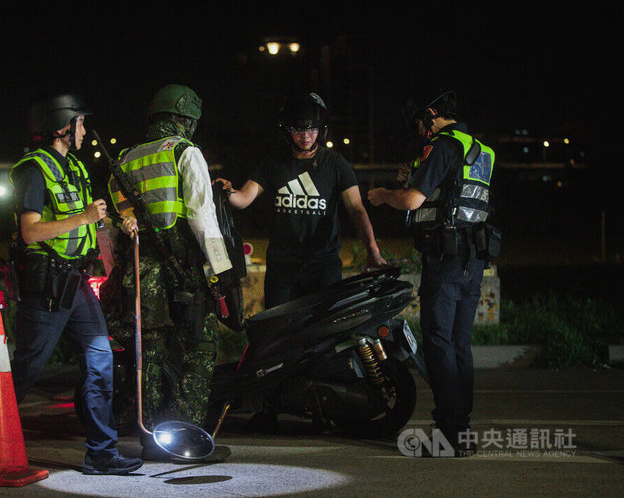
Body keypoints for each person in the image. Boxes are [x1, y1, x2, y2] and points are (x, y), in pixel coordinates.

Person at [215, 91, 386, 431]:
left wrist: (373, 249)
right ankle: (269, 407)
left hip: (323, 265)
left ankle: (321, 405)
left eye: (310, 129)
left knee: (322, 340)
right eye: (297, 129)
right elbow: (244, 199)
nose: (305, 136)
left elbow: (356, 209)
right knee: (274, 339)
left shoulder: (336, 164)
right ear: (287, 131)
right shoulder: (274, 162)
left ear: (320, 130)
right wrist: (227, 192)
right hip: (283, 267)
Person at [8, 93, 142, 475]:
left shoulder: (77, 169)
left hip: (77, 283)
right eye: (81, 122)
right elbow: (30, 232)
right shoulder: (33, 169)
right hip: (46, 283)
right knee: (27, 368)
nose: (85, 130)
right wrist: (83, 216)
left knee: (100, 361)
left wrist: (115, 237)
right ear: (62, 125)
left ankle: (102, 452)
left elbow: (95, 226)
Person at [367, 89, 499, 457]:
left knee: (438, 344)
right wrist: (418, 177)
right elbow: (456, 195)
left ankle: (447, 434)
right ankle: (462, 432)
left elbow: (411, 201)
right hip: (473, 259)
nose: (419, 133)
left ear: (430, 115)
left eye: (419, 125)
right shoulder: (482, 150)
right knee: (459, 345)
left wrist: (382, 194)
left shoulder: (442, 145)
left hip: (445, 259)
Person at [104, 84, 233, 461]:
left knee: (149, 355)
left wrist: (120, 275)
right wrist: (220, 270)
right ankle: (185, 440)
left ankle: (152, 438)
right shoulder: (185, 152)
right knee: (200, 347)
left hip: (141, 277)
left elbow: (113, 231)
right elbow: (201, 217)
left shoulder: (125, 159)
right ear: (184, 120)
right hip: (184, 271)